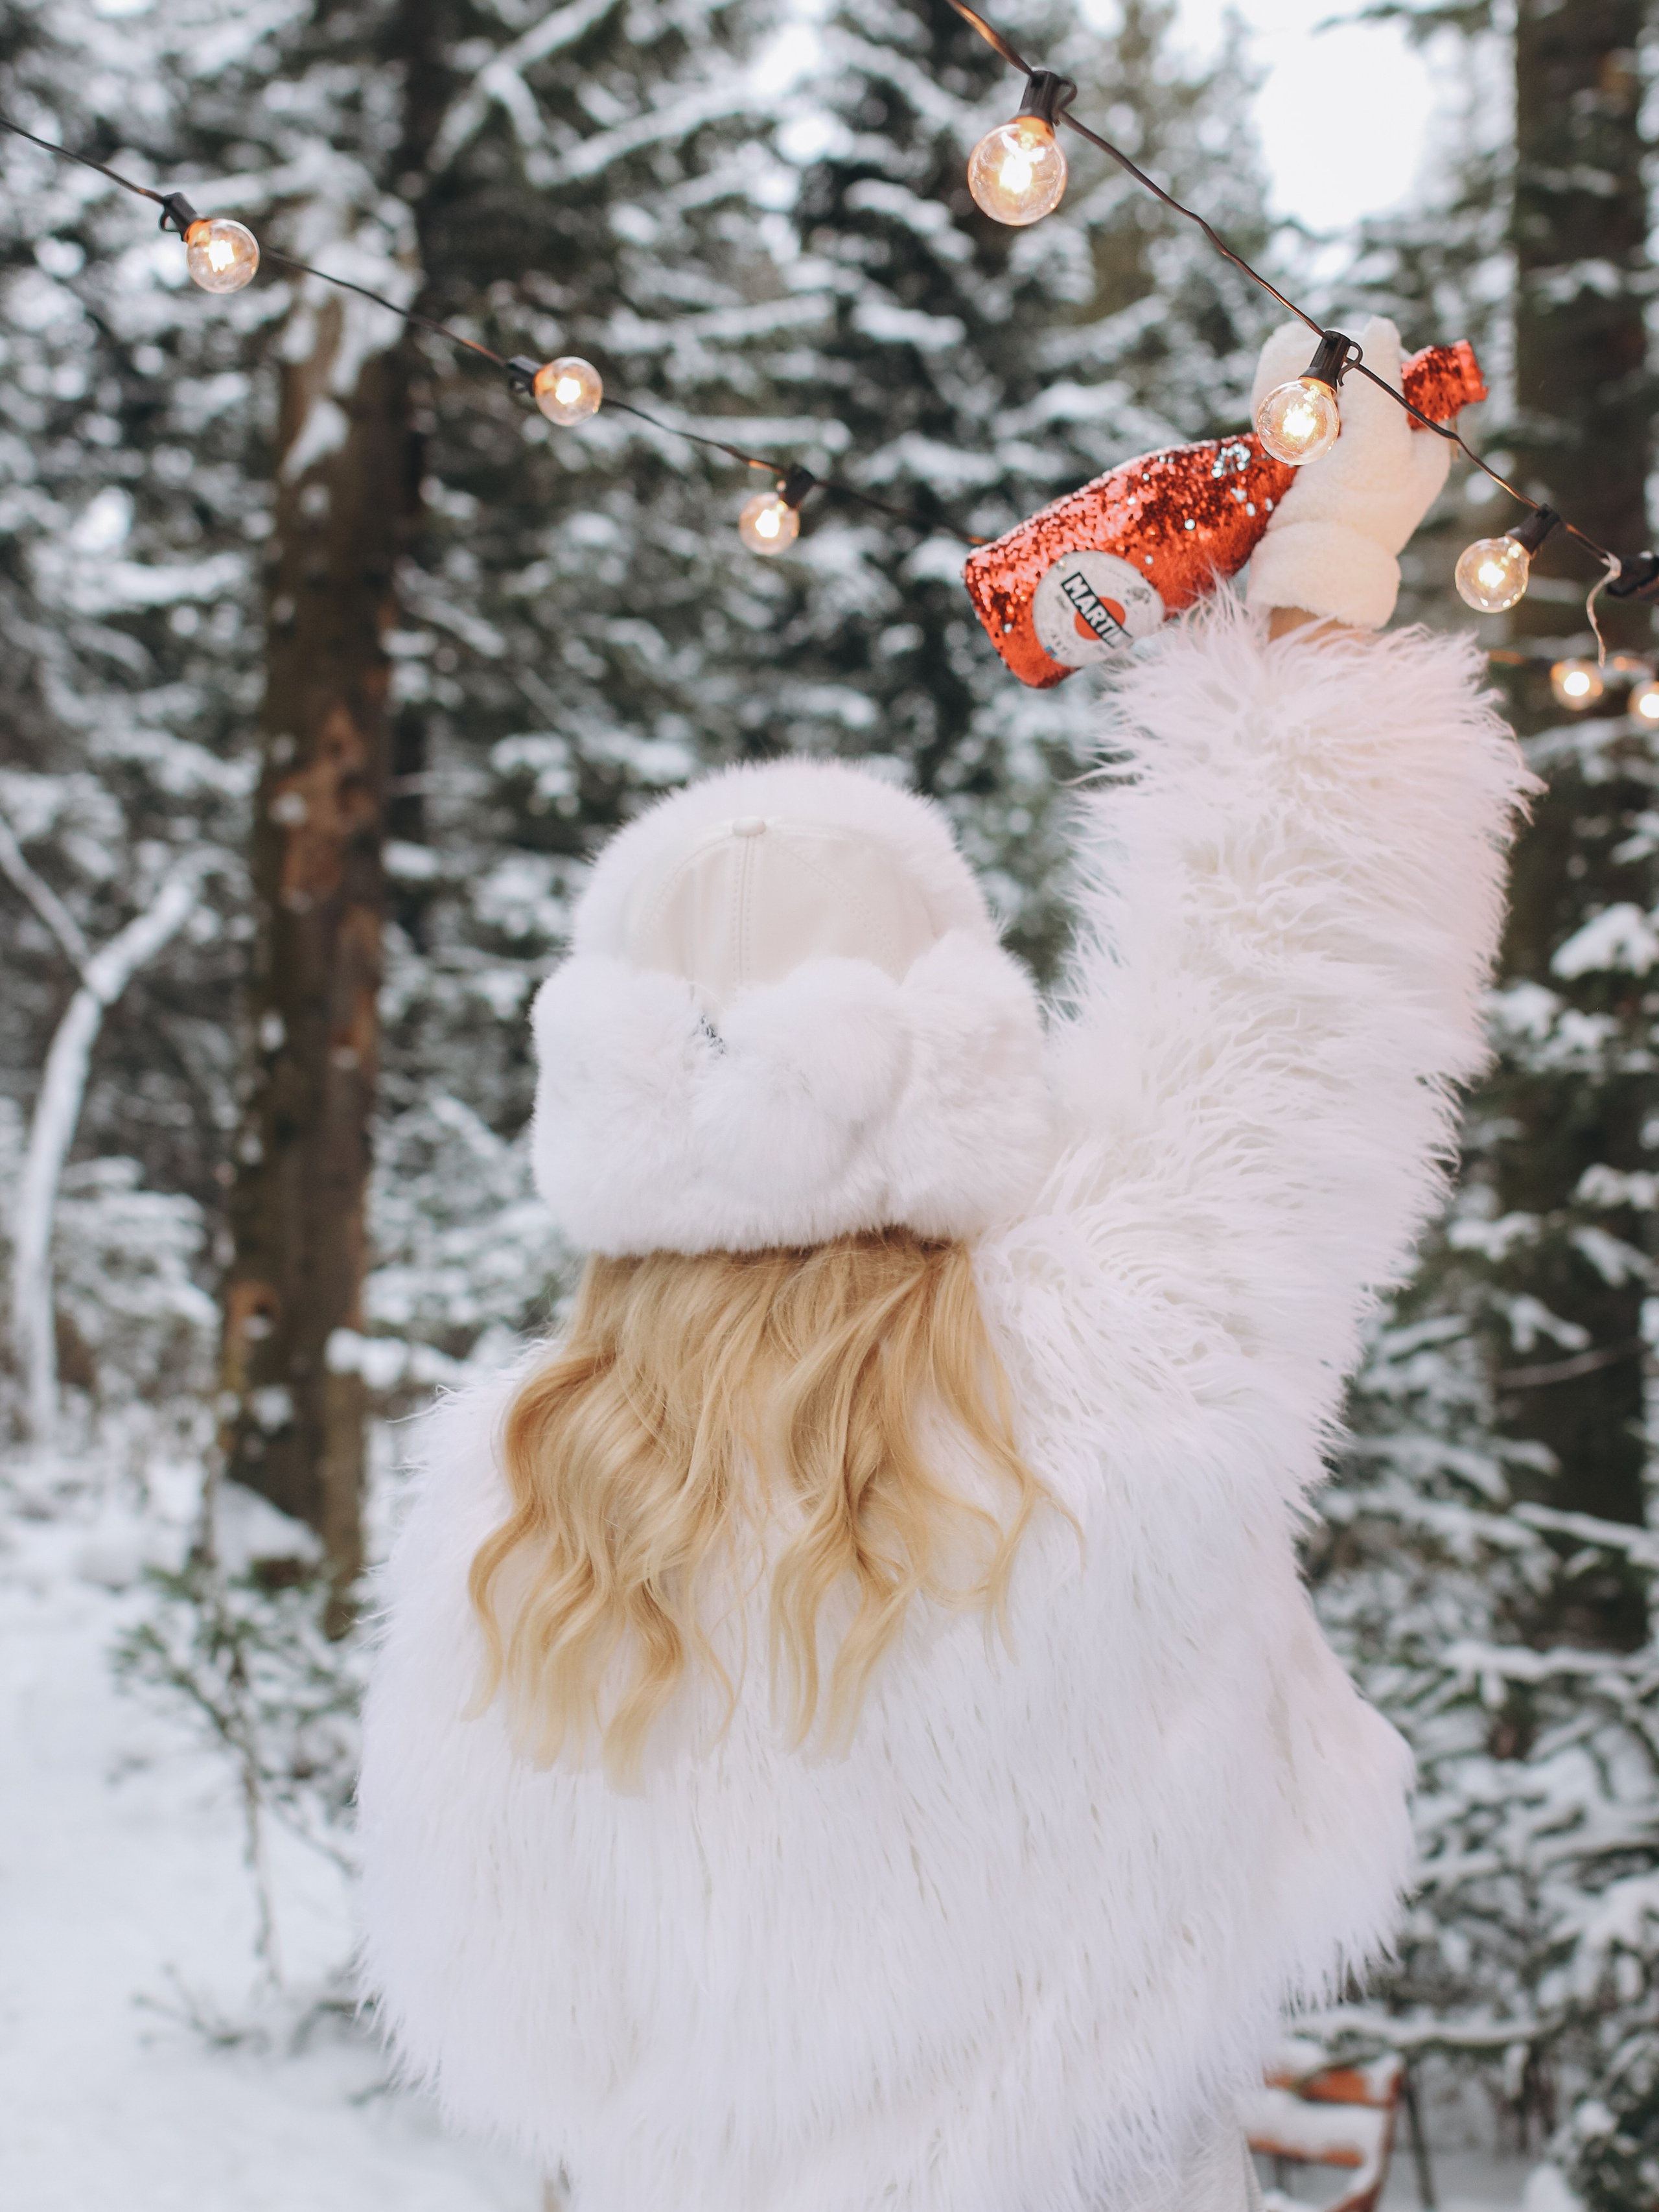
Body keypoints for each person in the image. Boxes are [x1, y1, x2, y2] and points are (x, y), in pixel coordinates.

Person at [356, 319, 1533, 2212]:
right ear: (954, 1039)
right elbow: (1284, 988)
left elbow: (501, 1998)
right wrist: (1317, 572)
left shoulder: (515, 1502)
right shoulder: (1114, 1350)